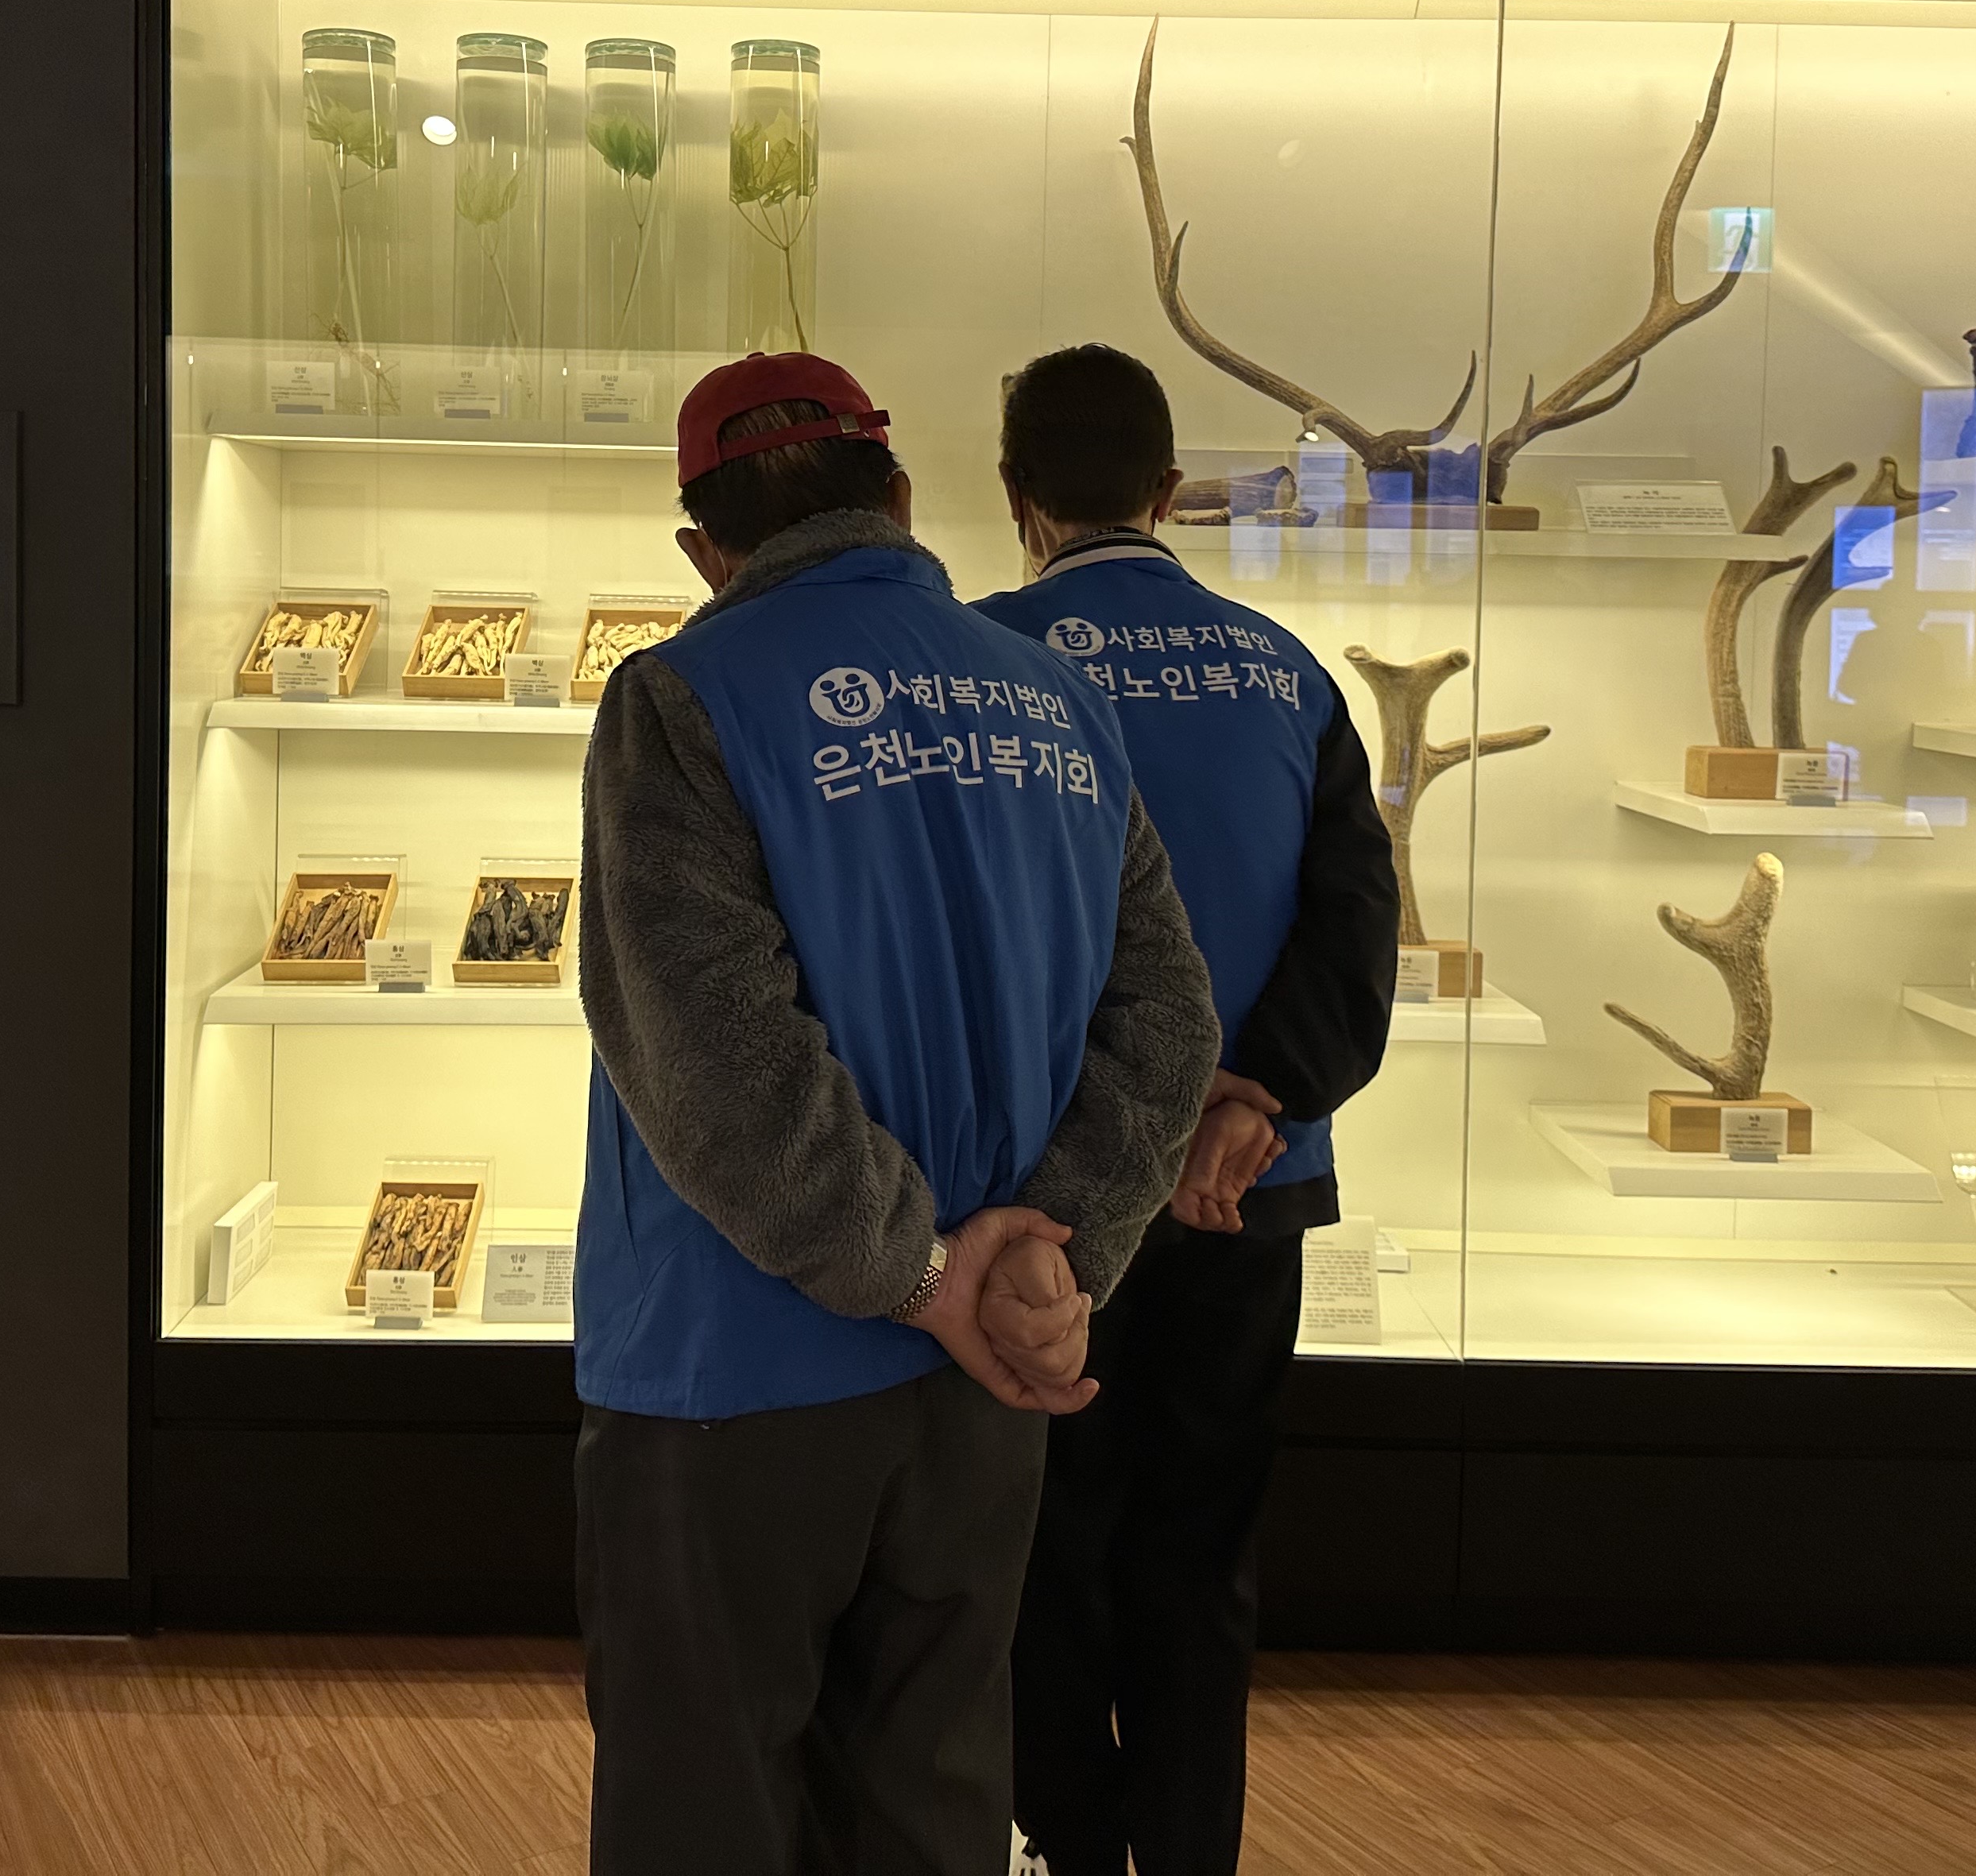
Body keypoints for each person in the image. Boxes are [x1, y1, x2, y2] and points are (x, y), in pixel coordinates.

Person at [570, 349, 1222, 1876]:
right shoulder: (1056, 698)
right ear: (904, 497)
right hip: (986, 1388)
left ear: (704, 550)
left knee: (703, 1811)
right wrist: (1049, 1261)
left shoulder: (680, 698)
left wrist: (919, 1275)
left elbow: (715, 1060)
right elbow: (1170, 1024)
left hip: (732, 1376)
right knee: (932, 1808)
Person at [973, 342, 1401, 1876]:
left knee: (1042, 1555)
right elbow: (1358, 924)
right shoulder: (1290, 674)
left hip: (1039, 1202)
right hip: (1248, 1189)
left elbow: (973, 943)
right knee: (1202, 1558)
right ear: (1169, 491)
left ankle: (1064, 1853)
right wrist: (1254, 1096)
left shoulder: (975, 663)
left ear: (1014, 495)